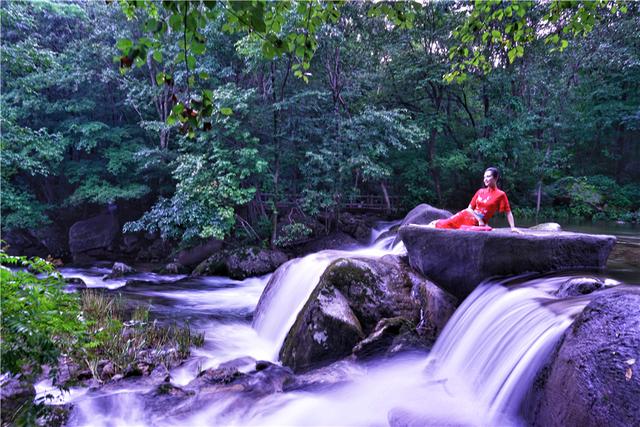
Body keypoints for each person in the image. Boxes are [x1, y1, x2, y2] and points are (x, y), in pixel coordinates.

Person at [427, 167, 522, 232]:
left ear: (496, 178)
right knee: (447, 224)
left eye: (488, 176)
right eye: (484, 177)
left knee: (451, 225)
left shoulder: (500, 194)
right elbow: (469, 208)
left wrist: (513, 227)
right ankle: (434, 223)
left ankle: (435, 223)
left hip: (479, 223)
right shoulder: (480, 191)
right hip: (468, 216)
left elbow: (508, 212)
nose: (485, 179)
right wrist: (479, 219)